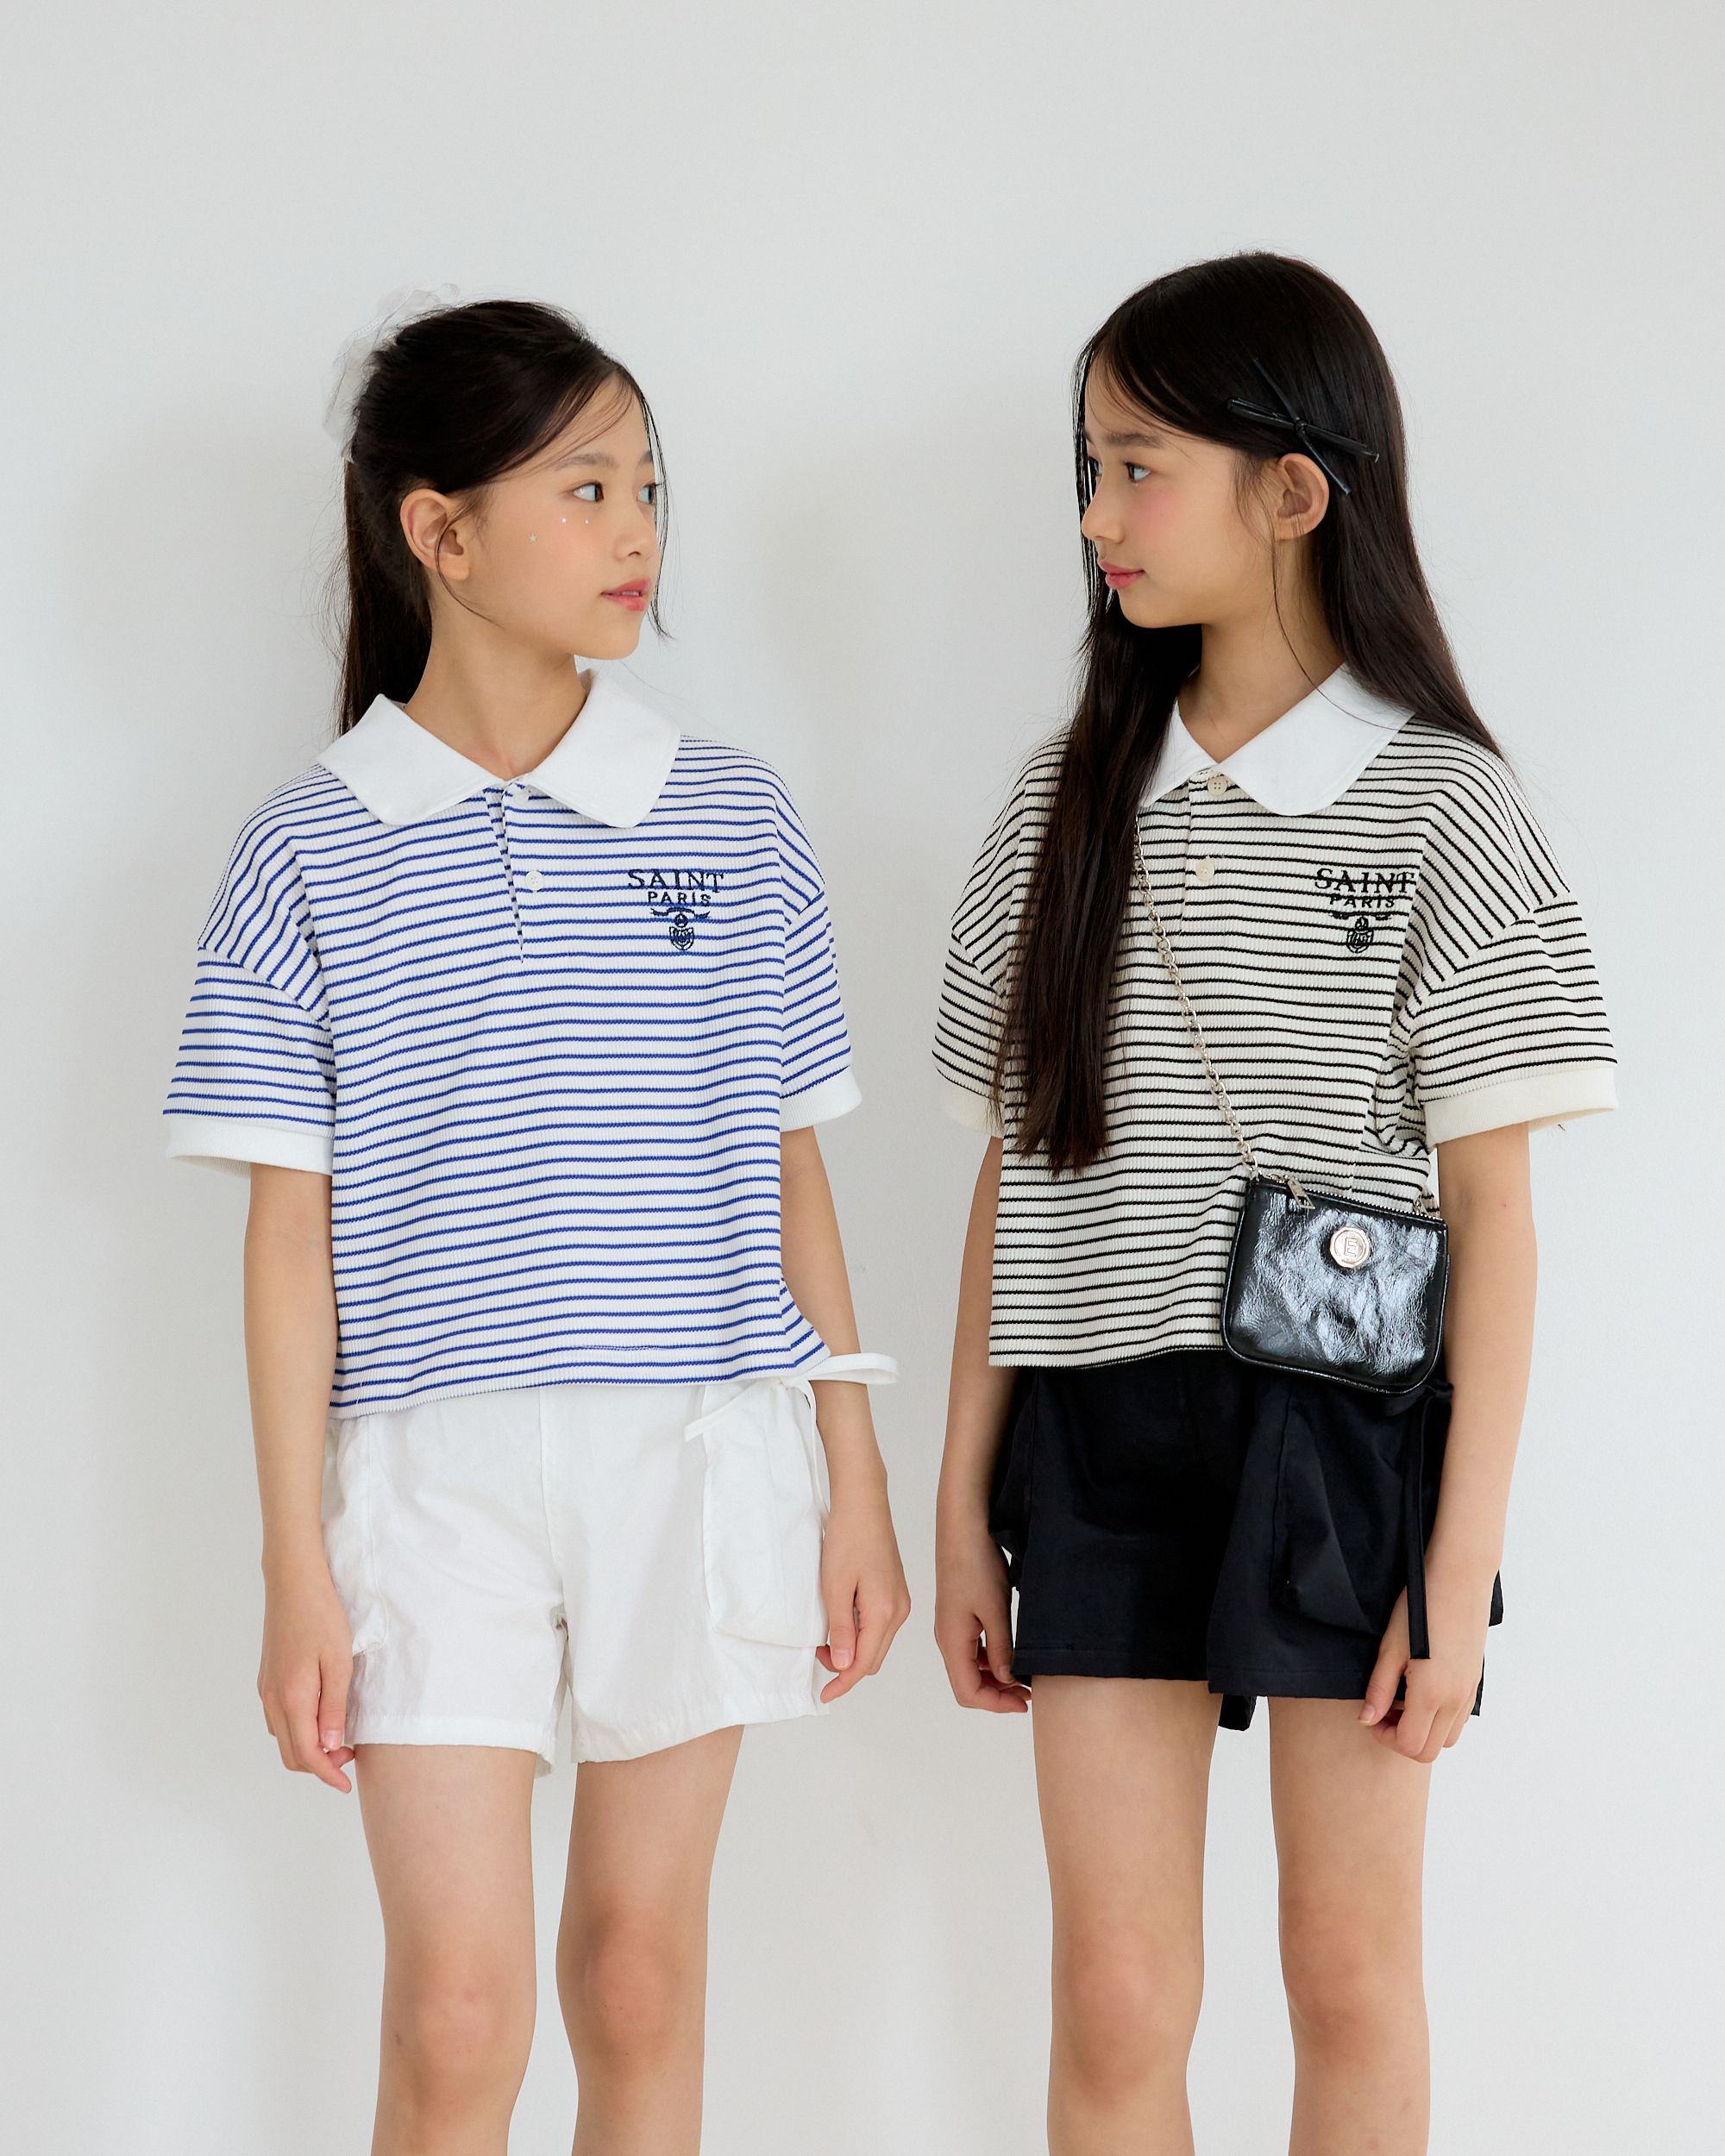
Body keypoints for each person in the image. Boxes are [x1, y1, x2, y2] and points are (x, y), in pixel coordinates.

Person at [164, 288, 909, 2155]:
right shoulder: (304, 846)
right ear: (442, 531)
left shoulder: (733, 816)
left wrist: (858, 1475)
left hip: (701, 1442)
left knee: (640, 1977)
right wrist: (292, 1560)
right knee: (456, 2016)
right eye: (587, 488)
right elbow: (286, 1240)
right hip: (431, 1473)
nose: (638, 529)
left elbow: (790, 1171)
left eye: (647, 484)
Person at [931, 251, 1616, 2155]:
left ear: (1294, 490)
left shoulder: (1445, 806)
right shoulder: (1063, 801)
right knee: (1115, 1987)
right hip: (1096, 1427)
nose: (1096, 518)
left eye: (1137, 468)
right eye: (1088, 469)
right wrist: (961, 1487)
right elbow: (1013, 1165)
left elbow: (1498, 1216)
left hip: (1348, 1442)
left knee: (1347, 1970)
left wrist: (1457, 1572)